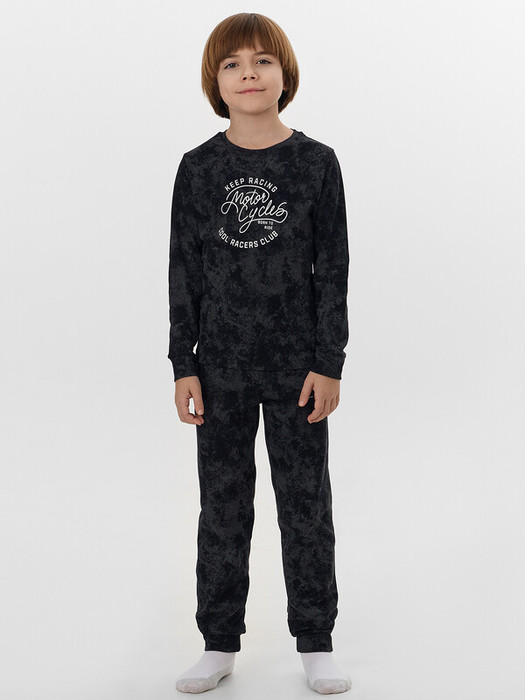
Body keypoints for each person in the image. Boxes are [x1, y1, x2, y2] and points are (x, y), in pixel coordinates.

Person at [168, 12, 351, 695]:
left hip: (297, 369)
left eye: (262, 60)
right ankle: (218, 642)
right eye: (232, 64)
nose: (248, 73)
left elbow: (333, 269)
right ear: (215, 82)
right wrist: (182, 362)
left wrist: (329, 361)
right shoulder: (198, 169)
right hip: (219, 370)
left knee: (305, 505)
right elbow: (183, 271)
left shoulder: (316, 163)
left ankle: (316, 642)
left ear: (284, 73)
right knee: (222, 509)